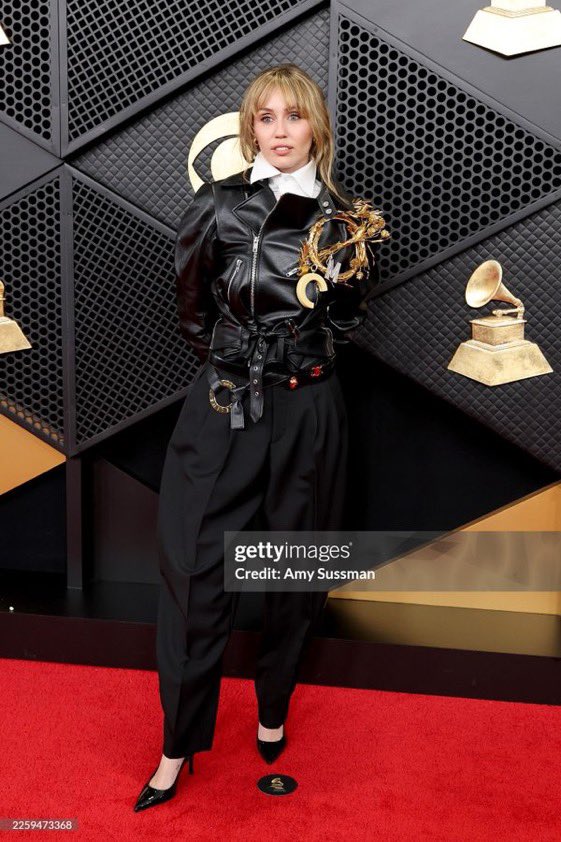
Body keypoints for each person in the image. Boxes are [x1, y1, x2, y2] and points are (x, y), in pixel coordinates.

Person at [134, 62, 381, 812]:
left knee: (293, 568)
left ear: (316, 127)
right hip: (223, 408)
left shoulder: (347, 220)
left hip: (309, 412)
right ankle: (177, 744)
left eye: (293, 116)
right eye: (265, 118)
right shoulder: (216, 205)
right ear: (250, 129)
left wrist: (326, 298)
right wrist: (242, 360)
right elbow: (191, 316)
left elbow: (346, 324)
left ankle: (272, 706)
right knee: (193, 573)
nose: (279, 131)